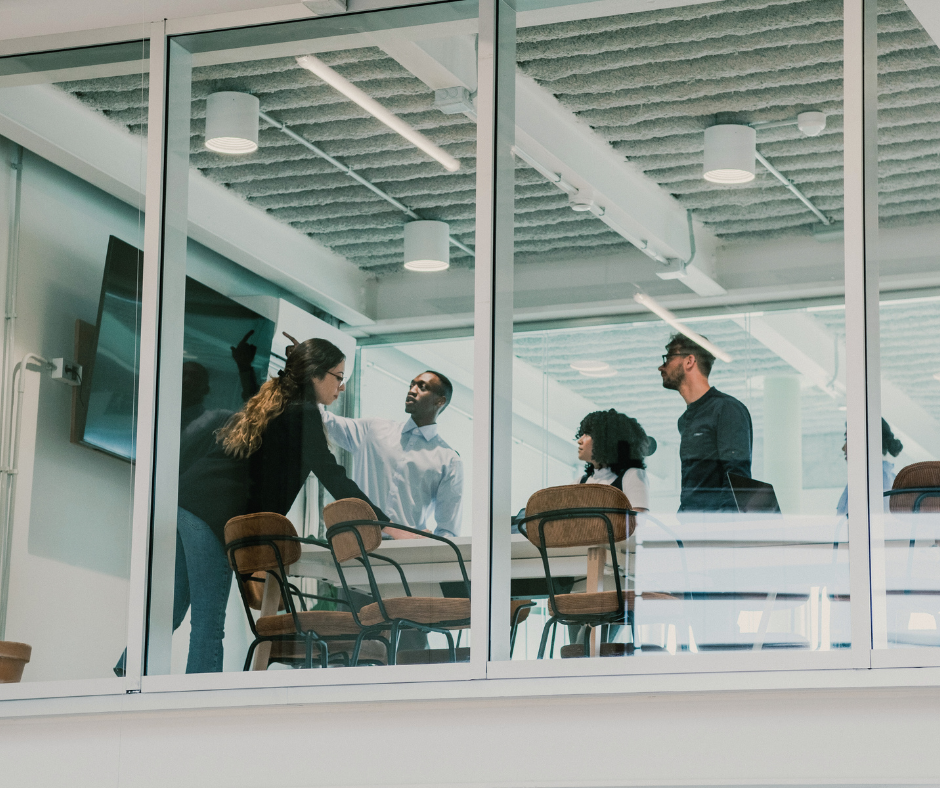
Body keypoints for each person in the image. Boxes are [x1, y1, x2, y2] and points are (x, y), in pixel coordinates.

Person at [168, 336, 386, 673]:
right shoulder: (304, 413)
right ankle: (202, 708)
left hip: (187, 502)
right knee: (209, 622)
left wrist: (246, 367)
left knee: (169, 611)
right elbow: (333, 475)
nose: (341, 388)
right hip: (211, 513)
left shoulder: (279, 401)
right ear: (316, 376)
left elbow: (251, 396)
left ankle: (125, 674)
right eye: (339, 377)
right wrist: (385, 525)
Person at [320, 370, 463, 537]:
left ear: (440, 401)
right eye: (411, 385)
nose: (412, 390)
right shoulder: (373, 430)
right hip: (358, 546)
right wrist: (309, 376)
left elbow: (448, 531)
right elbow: (322, 421)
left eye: (422, 387)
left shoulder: (448, 460)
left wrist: (425, 552)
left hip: (405, 554)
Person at [658, 332, 752, 513]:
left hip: (716, 531)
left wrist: (721, 529)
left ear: (689, 361)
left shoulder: (726, 408)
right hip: (693, 527)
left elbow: (737, 476)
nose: (661, 367)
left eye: (668, 358)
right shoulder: (684, 421)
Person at [576, 409, 655, 512]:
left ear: (606, 440)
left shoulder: (632, 475)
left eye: (587, 434)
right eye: (582, 434)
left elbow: (637, 523)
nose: (579, 440)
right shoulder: (579, 482)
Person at [836, 418, 903, 515]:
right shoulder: (868, 476)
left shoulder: (877, 478)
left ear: (865, 442)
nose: (843, 448)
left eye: (847, 439)